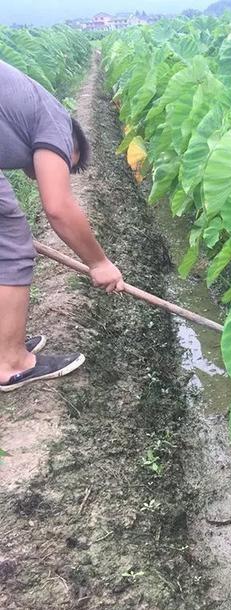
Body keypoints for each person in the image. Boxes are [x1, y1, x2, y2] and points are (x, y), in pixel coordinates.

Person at [0, 59, 124, 392]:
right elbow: (57, 208)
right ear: (68, 143)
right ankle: (11, 362)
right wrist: (99, 263)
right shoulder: (55, 120)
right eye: (63, 162)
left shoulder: (24, 110)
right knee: (11, 243)